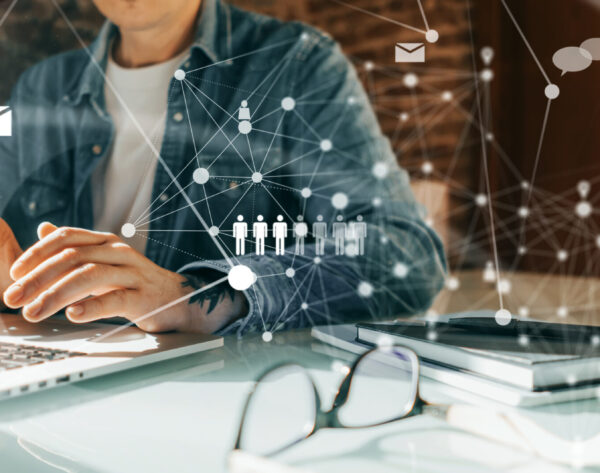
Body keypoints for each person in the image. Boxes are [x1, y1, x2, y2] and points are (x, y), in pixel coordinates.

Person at [0, 0, 446, 336]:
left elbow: (406, 255)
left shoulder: (296, 63)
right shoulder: (41, 87)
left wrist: (193, 297)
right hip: (58, 380)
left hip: (218, 391)